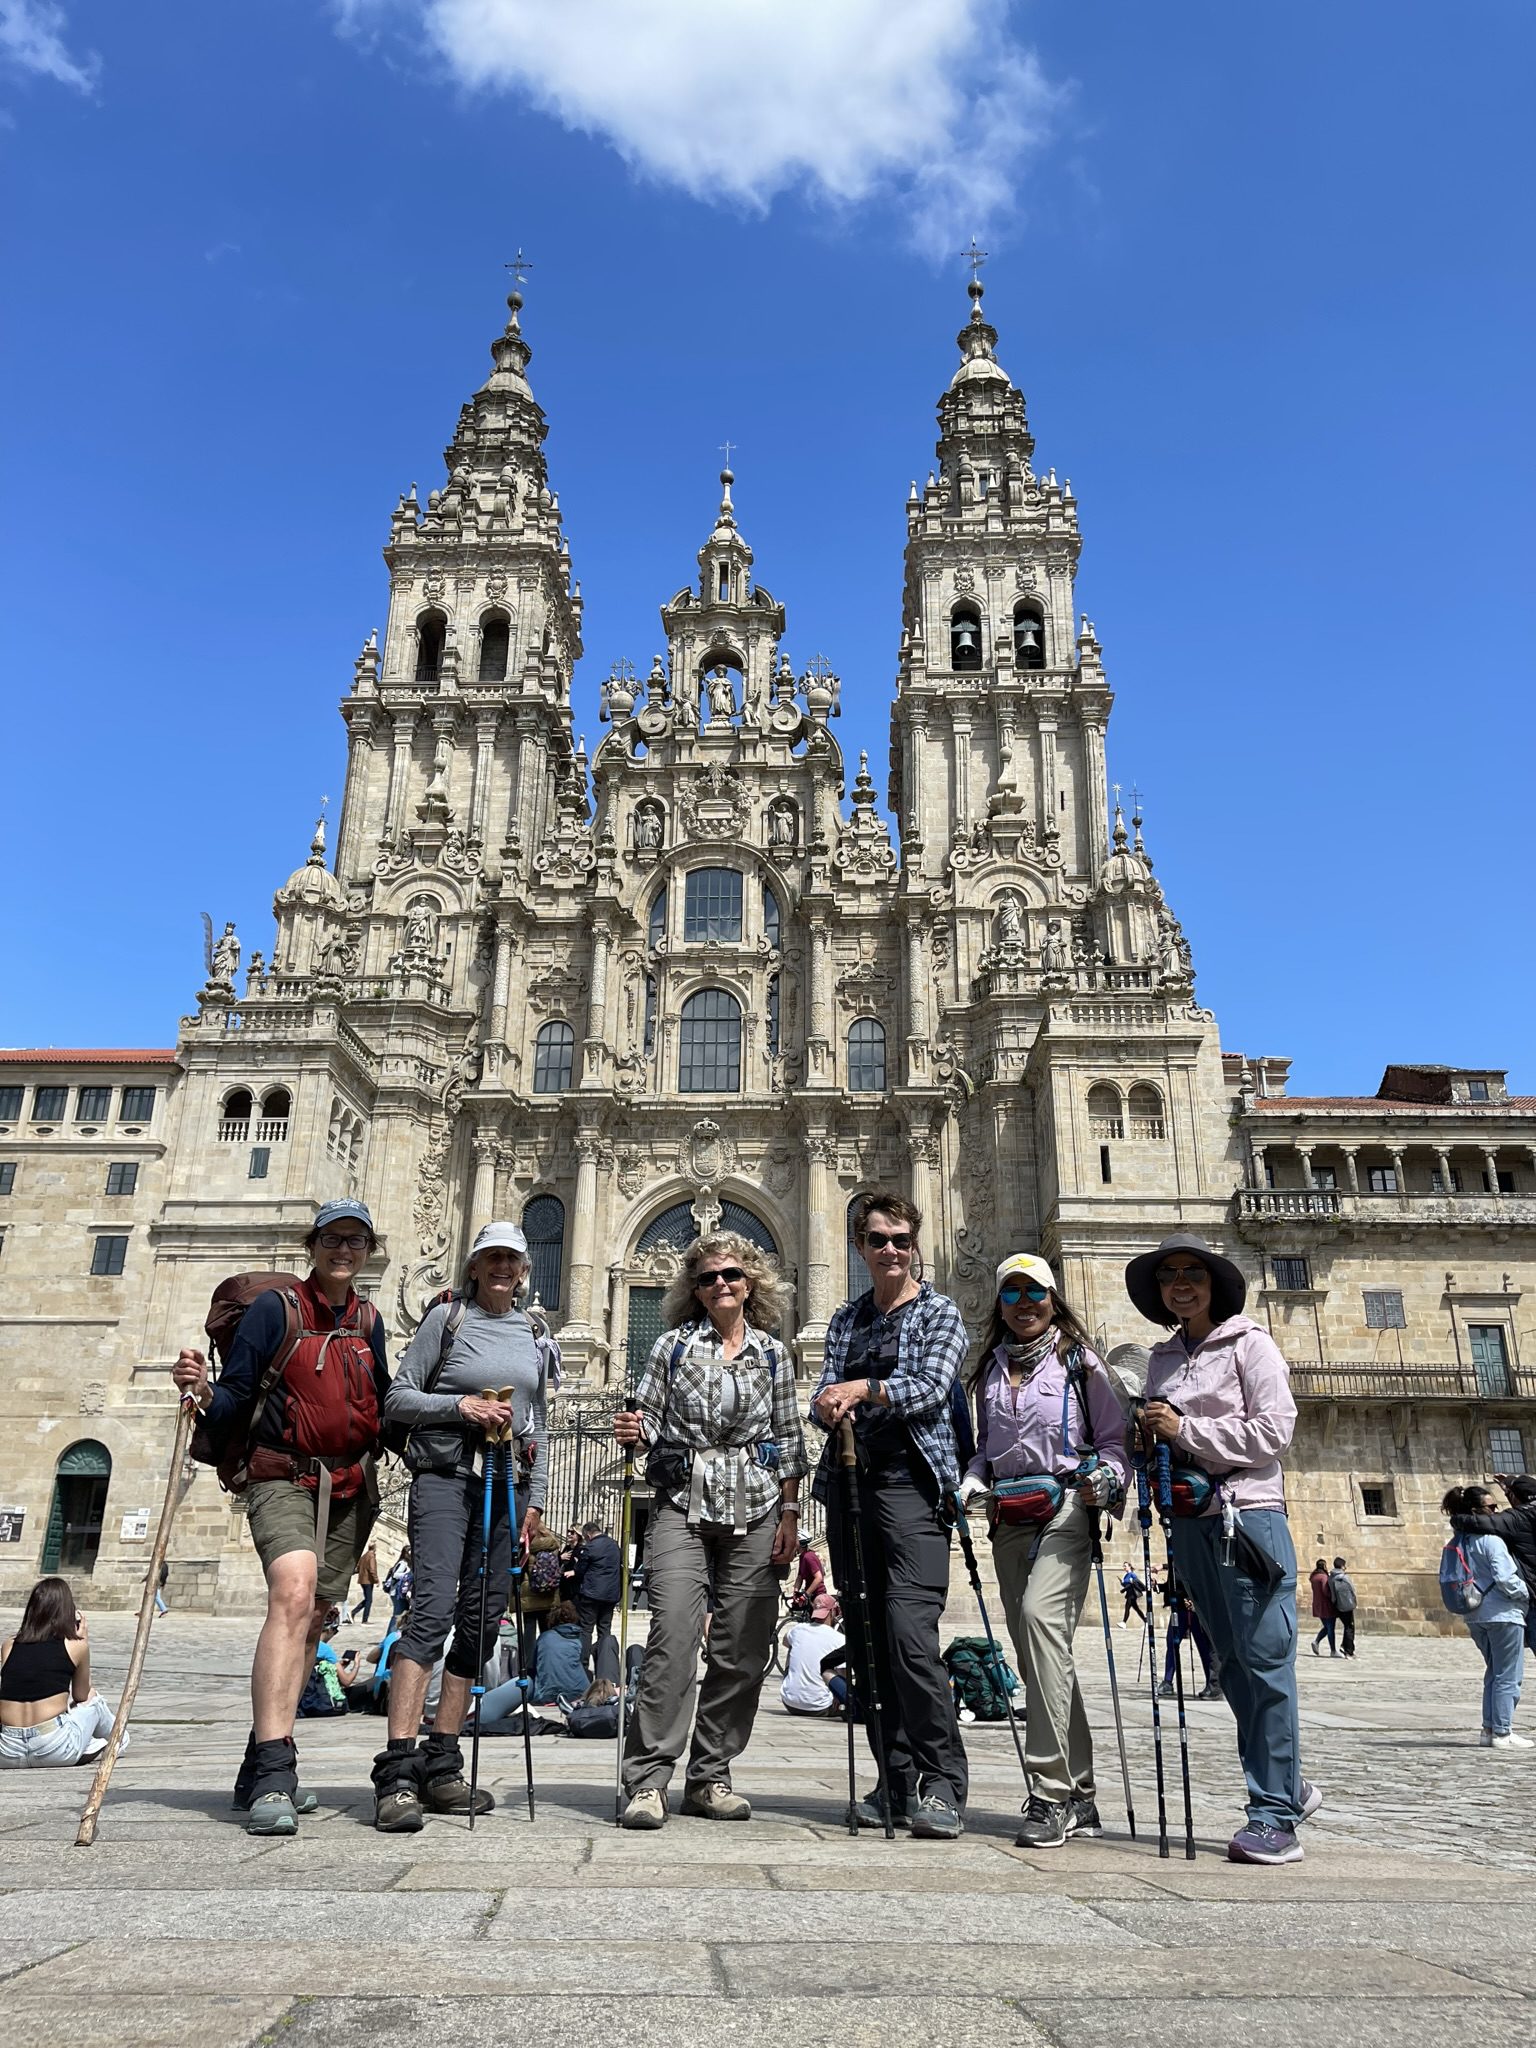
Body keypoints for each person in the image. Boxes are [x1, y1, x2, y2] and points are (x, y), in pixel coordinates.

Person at [172, 1198, 389, 1834]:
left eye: (355, 1241)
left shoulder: (369, 1320)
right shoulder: (277, 1308)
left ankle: (257, 1761)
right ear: (313, 1244)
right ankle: (276, 1771)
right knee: (292, 1597)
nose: (343, 1250)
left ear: (368, 1250)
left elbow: (381, 1400)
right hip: (282, 1474)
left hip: (349, 1483)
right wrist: (202, 1392)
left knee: (315, 1623)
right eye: (332, 1239)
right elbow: (238, 1392)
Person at [1125, 1232, 1321, 1865]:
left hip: (1247, 1521)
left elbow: (1275, 1429)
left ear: (1214, 1283)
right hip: (1190, 1526)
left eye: (1193, 1273)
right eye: (1169, 1276)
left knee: (1265, 1663)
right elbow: (1167, 1440)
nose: (1180, 1283)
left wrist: (1187, 1430)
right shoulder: (1160, 1361)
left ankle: (1273, 1816)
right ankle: (1285, 1784)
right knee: (1231, 1665)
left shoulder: (1251, 1344)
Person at [613, 1229, 807, 1829]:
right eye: (708, 1277)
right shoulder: (671, 1346)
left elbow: (788, 1438)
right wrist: (634, 1430)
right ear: (693, 1289)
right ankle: (647, 1780)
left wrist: (791, 1516)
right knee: (671, 1635)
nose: (721, 1284)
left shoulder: (773, 1354)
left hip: (755, 1504)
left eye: (732, 1275)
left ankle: (710, 1774)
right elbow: (645, 1415)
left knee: (742, 1647)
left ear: (752, 1284)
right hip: (681, 1500)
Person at [373, 1219, 550, 1831]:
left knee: (480, 1619)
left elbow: (540, 1424)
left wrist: (537, 1499)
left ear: (525, 1269)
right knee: (430, 1612)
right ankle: (397, 1769)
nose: (503, 1267)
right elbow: (396, 1398)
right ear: (474, 1266)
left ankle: (443, 1762)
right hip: (446, 1478)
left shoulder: (534, 1331)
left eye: (513, 1259)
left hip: (506, 1484)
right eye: (492, 1257)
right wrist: (461, 1406)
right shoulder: (445, 1321)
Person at [957, 1253, 1129, 1848]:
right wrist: (974, 1476)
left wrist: (1106, 1479)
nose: (1024, 1303)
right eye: (1011, 1294)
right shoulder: (988, 1370)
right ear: (999, 1304)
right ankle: (1082, 1792)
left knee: (1038, 1623)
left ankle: (1050, 1793)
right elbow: (984, 1448)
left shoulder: (1083, 1365)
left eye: (1035, 1293)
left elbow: (1114, 1441)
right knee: (1037, 1656)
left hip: (1064, 1509)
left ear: (1054, 1299)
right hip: (1007, 1514)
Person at [811, 1190, 969, 1840]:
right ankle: (895, 1783)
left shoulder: (940, 1314)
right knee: (870, 1645)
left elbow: (932, 1388)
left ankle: (943, 1783)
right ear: (861, 1248)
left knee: (909, 1638)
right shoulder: (846, 1320)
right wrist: (826, 1402)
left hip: (913, 1488)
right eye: (879, 1240)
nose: (892, 1250)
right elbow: (824, 1384)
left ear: (915, 1244)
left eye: (902, 1239)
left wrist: (864, 1389)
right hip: (850, 1490)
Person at [1, 1578, 127, 1769]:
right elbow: (81, 1695)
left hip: (8, 1752)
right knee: (94, 1701)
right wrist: (83, 1641)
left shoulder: (9, 1645)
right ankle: (119, 1740)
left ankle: (89, 1743)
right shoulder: (75, 1646)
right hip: (55, 1748)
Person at [1441, 1485, 1531, 1747]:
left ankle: (1489, 1730)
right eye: (1491, 1507)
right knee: (1509, 1674)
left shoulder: (1456, 1542)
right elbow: (1505, 1578)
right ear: (1475, 1511)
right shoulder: (1491, 1540)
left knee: (1494, 1672)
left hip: (1475, 1614)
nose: (1496, 1511)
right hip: (1503, 1613)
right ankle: (1502, 1732)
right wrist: (1526, 1592)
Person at [1451, 1477, 1536, 1656]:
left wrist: (1457, 1518)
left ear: (1515, 1497)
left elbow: (1482, 1522)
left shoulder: (1519, 1518)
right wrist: (1511, 1485)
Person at [780, 1593, 845, 1717]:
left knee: (791, 1647)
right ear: (832, 1612)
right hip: (821, 1706)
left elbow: (785, 1642)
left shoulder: (797, 1629)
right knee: (839, 1667)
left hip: (790, 1703)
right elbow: (843, 1674)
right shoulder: (839, 1639)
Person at [574, 1522, 621, 1668]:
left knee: (586, 1629)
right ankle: (604, 1663)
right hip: (610, 1594)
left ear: (588, 1534)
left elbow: (580, 1571)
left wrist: (577, 1564)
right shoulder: (614, 1545)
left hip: (592, 1594)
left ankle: (583, 1664)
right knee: (605, 1629)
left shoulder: (589, 1547)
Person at [529, 1601, 590, 1704]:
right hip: (577, 1693)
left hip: (546, 1695)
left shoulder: (544, 1637)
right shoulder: (579, 1638)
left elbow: (534, 1664)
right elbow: (582, 1662)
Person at [1328, 1556, 1358, 1658]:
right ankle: (1349, 1651)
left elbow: (1332, 1592)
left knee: (1346, 1626)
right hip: (1347, 1605)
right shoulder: (1345, 1577)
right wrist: (1353, 1601)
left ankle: (1344, 1646)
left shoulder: (1331, 1577)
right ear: (1342, 1566)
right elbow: (1353, 1590)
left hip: (1338, 1605)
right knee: (1350, 1627)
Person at [1309, 1558, 1338, 1657]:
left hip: (1317, 1605)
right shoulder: (1323, 1577)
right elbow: (1326, 1592)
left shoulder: (1314, 1577)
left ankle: (1316, 1641)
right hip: (1326, 1605)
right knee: (1330, 1628)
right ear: (1324, 1566)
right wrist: (1334, 1596)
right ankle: (1333, 1650)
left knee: (1327, 1627)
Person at [793, 1537, 827, 1610]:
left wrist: (806, 1595)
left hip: (817, 1594)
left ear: (800, 1544)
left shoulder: (808, 1557)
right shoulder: (803, 1556)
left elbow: (818, 1578)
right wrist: (795, 1592)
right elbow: (800, 1577)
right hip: (810, 1595)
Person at [351, 1542, 379, 1626]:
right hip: (368, 1581)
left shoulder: (364, 1556)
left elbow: (358, 1568)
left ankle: (354, 1612)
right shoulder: (371, 1556)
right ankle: (364, 1619)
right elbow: (372, 1569)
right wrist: (377, 1580)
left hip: (362, 1580)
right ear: (374, 1548)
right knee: (369, 1600)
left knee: (367, 1599)